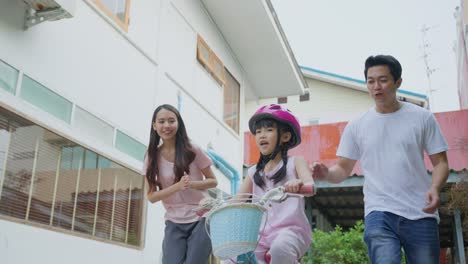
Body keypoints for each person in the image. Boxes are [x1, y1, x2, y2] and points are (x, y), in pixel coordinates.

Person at [312, 55, 449, 264]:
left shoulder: (422, 118)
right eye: (370, 81)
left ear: (398, 82)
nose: (376, 87)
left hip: (421, 213)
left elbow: (440, 162)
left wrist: (435, 188)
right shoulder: (357, 125)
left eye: (383, 80)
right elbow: (342, 169)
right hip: (379, 211)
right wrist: (326, 174)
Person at [237, 104, 315, 264]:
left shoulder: (296, 162)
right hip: (260, 234)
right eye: (258, 132)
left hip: (291, 231)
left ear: (285, 136)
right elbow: (237, 199)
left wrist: (299, 183)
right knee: (236, 254)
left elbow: (310, 185)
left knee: (280, 248)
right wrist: (211, 206)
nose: (262, 135)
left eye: (269, 130)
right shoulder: (253, 172)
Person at [144, 104, 218, 264]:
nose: (167, 126)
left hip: (201, 216)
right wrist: (177, 187)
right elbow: (151, 196)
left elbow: (213, 181)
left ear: (178, 123)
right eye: (162, 121)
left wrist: (192, 184)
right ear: (154, 125)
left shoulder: (193, 149)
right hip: (174, 220)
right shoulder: (152, 156)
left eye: (171, 121)